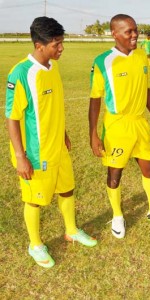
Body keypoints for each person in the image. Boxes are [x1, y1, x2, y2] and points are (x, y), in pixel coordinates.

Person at [5, 17, 97, 269]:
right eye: (56, 44)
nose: (61, 48)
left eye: (61, 42)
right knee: (34, 200)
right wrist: (21, 156)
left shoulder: (52, 68)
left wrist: (64, 132)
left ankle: (71, 230)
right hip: (35, 153)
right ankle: (35, 244)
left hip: (58, 146)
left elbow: (51, 107)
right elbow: (12, 118)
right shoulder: (21, 73)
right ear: (39, 45)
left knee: (67, 189)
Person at [89, 14, 150, 239]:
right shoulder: (103, 61)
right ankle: (118, 214)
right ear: (114, 33)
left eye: (135, 30)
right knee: (115, 173)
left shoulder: (141, 56)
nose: (134, 34)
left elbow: (145, 88)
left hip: (140, 122)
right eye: (128, 31)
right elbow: (95, 100)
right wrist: (93, 134)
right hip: (117, 126)